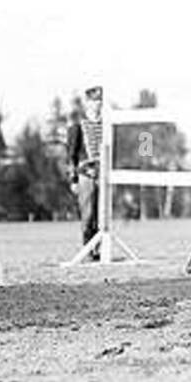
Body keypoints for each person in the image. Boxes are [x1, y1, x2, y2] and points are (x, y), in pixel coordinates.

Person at [65, 86, 104, 262]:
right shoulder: (78, 126)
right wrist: (73, 179)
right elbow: (71, 154)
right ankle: (88, 249)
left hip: (103, 175)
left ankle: (99, 249)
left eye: (100, 100)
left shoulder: (106, 125)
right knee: (87, 215)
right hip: (86, 175)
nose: (98, 104)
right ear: (87, 103)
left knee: (101, 215)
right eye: (94, 100)